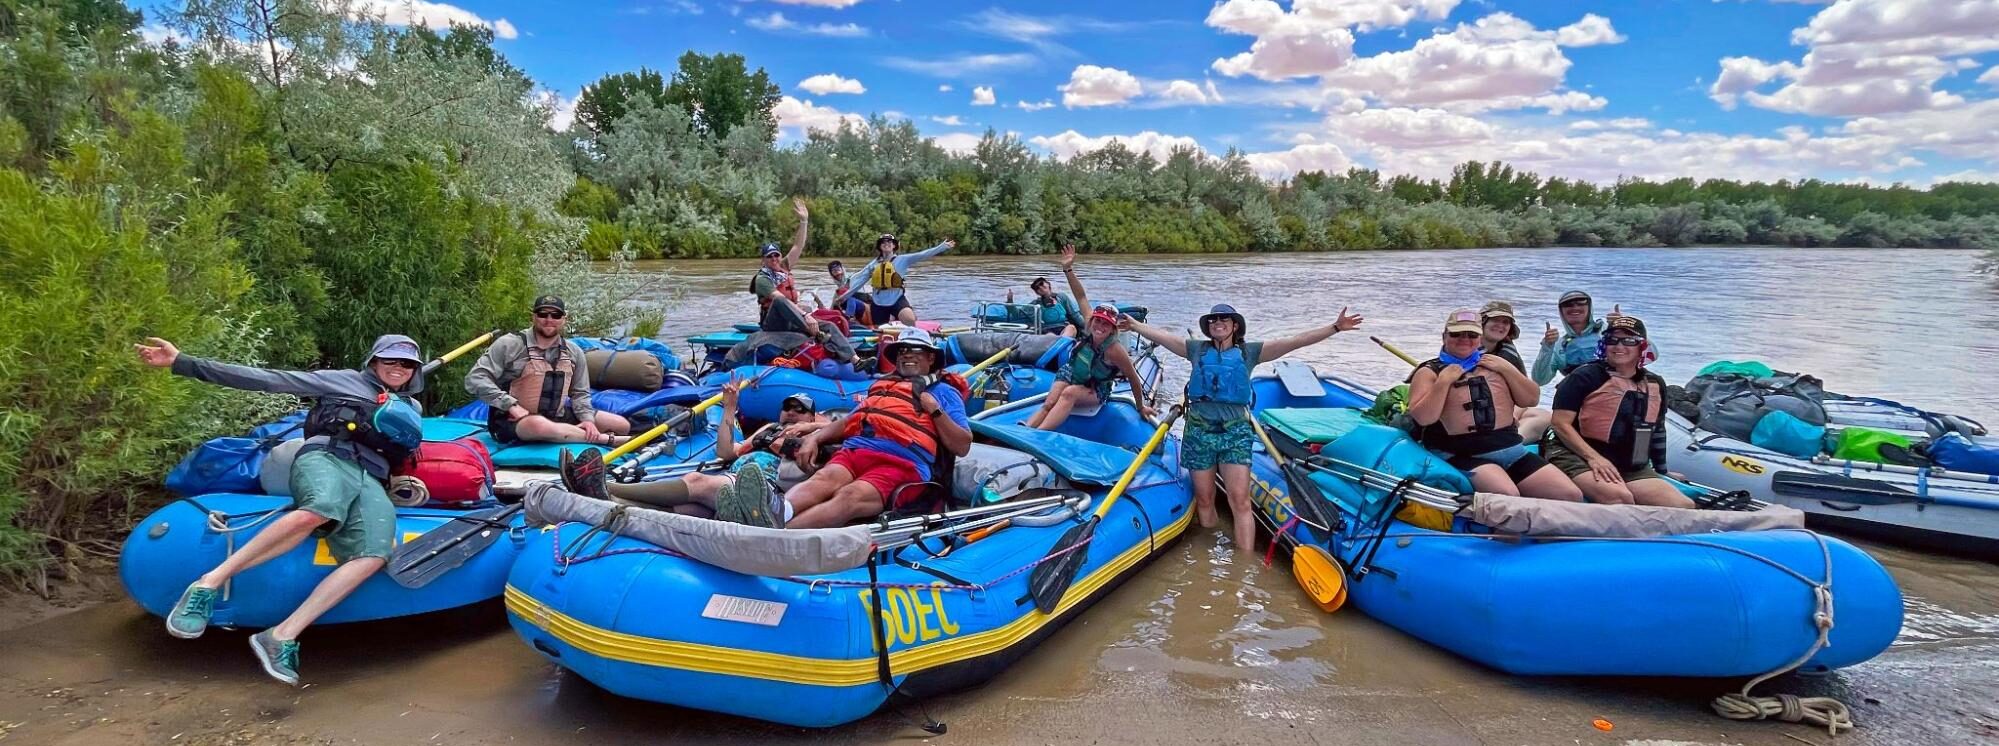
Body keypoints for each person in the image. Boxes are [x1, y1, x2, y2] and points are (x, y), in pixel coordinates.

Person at [135, 334, 430, 686]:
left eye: (407, 364)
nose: (398, 368)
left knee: (375, 555)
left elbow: (400, 455)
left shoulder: (413, 410)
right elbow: (267, 379)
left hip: (373, 478)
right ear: (374, 361)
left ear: (415, 371)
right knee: (318, 509)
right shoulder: (341, 381)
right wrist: (183, 362)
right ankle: (207, 585)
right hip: (328, 457)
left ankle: (281, 636)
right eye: (390, 360)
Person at [1125, 303, 1365, 552]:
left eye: (1224, 319)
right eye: (1213, 319)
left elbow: (1294, 341)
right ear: (1208, 326)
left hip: (1235, 432)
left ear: (1235, 325)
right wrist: (1133, 325)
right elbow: (1163, 337)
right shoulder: (1196, 350)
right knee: (1205, 499)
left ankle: (1244, 564)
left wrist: (1335, 327)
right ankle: (1210, 556)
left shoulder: (1249, 352)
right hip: (1199, 431)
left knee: (1240, 500)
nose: (1218, 322)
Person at [779, 329, 973, 528]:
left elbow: (962, 446)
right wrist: (814, 438)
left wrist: (934, 409)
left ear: (931, 357)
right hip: (856, 451)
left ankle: (779, 535)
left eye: (914, 349)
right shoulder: (882, 387)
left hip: (902, 464)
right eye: (901, 350)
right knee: (823, 478)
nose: (906, 354)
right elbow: (849, 422)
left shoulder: (944, 392)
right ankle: (776, 515)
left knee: (850, 495)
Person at [561, 385, 832, 525]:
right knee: (682, 510)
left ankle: (605, 485)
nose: (792, 412)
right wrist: (729, 410)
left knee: (697, 480)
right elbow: (727, 451)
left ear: (812, 415)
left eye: (800, 409)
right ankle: (607, 500)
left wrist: (811, 427)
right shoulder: (769, 429)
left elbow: (842, 429)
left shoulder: (817, 436)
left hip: (762, 489)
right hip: (733, 477)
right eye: (788, 407)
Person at [1406, 310, 1582, 501]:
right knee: (1508, 497)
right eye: (1456, 334)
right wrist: (1443, 382)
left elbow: (1530, 400)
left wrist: (1506, 368)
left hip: (1512, 451)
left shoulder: (1497, 364)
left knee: (1570, 494)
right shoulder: (1429, 371)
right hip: (1461, 453)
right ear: (1444, 336)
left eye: (1471, 335)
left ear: (1479, 338)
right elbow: (1424, 417)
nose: (1464, 339)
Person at [1545, 316, 1693, 508]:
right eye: (1612, 340)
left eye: (1629, 340)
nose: (1619, 346)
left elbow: (1657, 430)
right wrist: (1594, 458)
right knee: (1619, 498)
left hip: (1627, 463)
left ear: (1641, 346)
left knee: (1682, 506)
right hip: (1576, 454)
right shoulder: (1584, 376)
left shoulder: (1655, 383)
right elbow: (1560, 423)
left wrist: (1662, 471)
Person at [464, 295, 632, 447]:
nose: (549, 320)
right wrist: (510, 405)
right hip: (511, 420)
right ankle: (606, 440)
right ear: (534, 317)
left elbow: (580, 394)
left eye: (556, 315)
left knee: (621, 425)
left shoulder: (574, 352)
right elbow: (475, 379)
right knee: (538, 425)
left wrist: (587, 420)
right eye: (543, 314)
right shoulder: (509, 344)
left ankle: (576, 433)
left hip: (555, 415)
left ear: (564, 319)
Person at [1025, 303, 1153, 431]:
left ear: (1112, 329)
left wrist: (1140, 407)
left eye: (1106, 324)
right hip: (1071, 373)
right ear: (1091, 321)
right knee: (1049, 403)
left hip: (1096, 387)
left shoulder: (1114, 350)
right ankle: (1027, 428)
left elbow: (1133, 377)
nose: (1100, 327)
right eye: (1098, 321)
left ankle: (1040, 431)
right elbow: (1080, 296)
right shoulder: (1089, 330)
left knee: (1069, 393)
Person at [839, 233, 956, 327]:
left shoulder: (903, 260)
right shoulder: (873, 265)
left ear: (894, 246)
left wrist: (942, 247)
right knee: (881, 328)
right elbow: (859, 281)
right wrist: (845, 296)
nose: (886, 244)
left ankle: (913, 336)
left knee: (909, 318)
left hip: (896, 298)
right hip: (878, 302)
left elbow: (923, 254)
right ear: (880, 246)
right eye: (883, 242)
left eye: (889, 242)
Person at [1481, 300, 1552, 440]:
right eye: (1495, 320)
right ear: (1482, 322)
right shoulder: (1466, 348)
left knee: (1543, 416)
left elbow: (1524, 396)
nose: (1500, 326)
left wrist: (1513, 414)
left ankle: (1513, 442)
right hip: (1477, 413)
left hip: (1503, 411)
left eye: (1505, 322)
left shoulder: (1508, 353)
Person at [750, 198, 816, 336]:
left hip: (793, 316)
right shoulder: (762, 279)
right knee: (781, 301)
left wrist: (804, 222)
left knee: (831, 323)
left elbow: (798, 246)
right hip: (774, 322)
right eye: (769, 256)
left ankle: (855, 358)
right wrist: (804, 315)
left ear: (780, 256)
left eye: (776, 255)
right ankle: (812, 333)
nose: (774, 259)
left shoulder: (784, 266)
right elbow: (781, 300)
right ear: (763, 260)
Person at [1025, 244, 1089, 336]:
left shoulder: (1062, 298)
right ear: (1037, 292)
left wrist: (1089, 327)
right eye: (1037, 288)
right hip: (1048, 332)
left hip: (1064, 330)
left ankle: (1061, 343)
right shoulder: (1036, 304)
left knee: (1071, 328)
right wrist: (1010, 301)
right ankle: (1055, 346)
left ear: (1048, 284)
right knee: (1050, 336)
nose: (1041, 287)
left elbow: (1075, 315)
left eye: (1042, 284)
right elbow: (1017, 312)